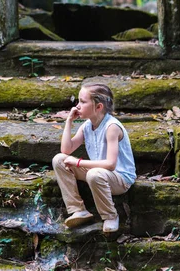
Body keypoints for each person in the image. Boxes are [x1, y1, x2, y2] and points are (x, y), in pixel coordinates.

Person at [52, 83, 136, 233]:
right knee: (59, 159)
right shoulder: (86, 126)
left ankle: (110, 216)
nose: (77, 106)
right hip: (98, 174)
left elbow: (110, 164)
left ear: (99, 107)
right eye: (78, 101)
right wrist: (69, 121)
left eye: (83, 102)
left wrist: (78, 162)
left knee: (94, 173)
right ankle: (78, 210)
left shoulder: (112, 127)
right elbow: (66, 149)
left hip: (120, 178)